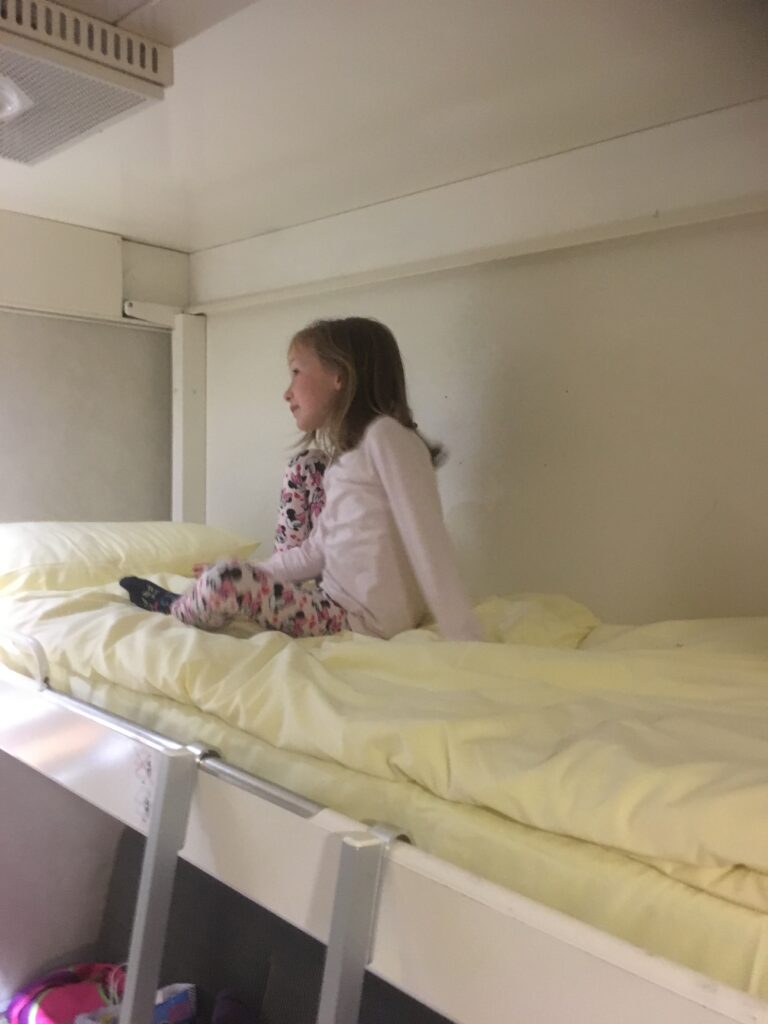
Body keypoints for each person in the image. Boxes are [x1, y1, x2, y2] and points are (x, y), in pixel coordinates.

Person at [121, 316, 481, 641]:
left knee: (226, 581)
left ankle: (180, 608)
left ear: (339, 375)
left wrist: (464, 636)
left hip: (357, 618)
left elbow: (427, 539)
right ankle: (198, 599)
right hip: (334, 604)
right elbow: (315, 551)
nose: (287, 392)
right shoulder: (349, 460)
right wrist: (253, 570)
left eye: (296, 371)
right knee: (239, 563)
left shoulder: (388, 438)